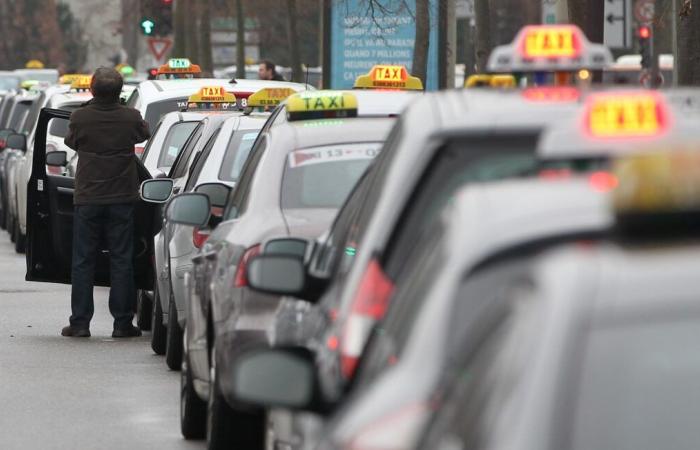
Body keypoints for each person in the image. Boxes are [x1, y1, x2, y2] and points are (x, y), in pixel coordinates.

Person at [61, 67, 150, 338]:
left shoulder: (80, 117)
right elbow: (143, 134)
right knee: (122, 259)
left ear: (91, 90)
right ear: (120, 92)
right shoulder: (130, 117)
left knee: (83, 260)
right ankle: (122, 323)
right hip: (122, 197)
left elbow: (71, 141)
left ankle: (80, 323)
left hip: (88, 198)